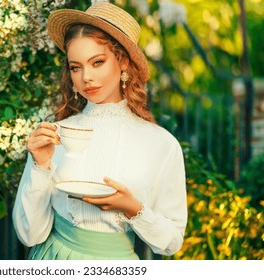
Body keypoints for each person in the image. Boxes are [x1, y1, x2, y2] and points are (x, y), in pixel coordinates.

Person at [12, 2, 187, 260]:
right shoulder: (54, 136)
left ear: (123, 61)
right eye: (76, 67)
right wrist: (41, 167)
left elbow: (171, 242)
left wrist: (133, 209)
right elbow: (29, 235)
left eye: (98, 62)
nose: (86, 78)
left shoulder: (161, 144)